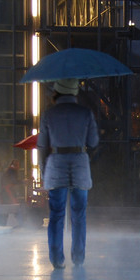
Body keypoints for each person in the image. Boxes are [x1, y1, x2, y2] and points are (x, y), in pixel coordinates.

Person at [36, 78, 99, 269]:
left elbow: (41, 145)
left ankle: (56, 258)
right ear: (74, 93)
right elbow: (94, 141)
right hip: (79, 165)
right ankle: (78, 257)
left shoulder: (49, 114)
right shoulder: (85, 113)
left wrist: (42, 169)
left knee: (56, 214)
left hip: (56, 165)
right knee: (79, 214)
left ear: (57, 92)